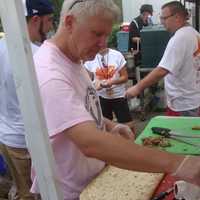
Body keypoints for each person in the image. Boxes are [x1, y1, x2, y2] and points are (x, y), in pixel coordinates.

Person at [30, 0, 200, 199]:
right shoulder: (50, 72)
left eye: (106, 35)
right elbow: (90, 143)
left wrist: (109, 125)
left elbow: (78, 113)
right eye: (97, 33)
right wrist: (177, 163)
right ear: (69, 22)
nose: (103, 44)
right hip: (71, 192)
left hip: (93, 181)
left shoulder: (74, 58)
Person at [0, 0, 54, 199]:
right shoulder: (36, 55)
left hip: (6, 137)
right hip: (27, 142)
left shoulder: (2, 45)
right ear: (35, 19)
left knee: (22, 190)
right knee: (33, 194)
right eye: (49, 21)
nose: (50, 27)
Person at [126, 1, 200, 117]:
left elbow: (162, 70)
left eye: (164, 18)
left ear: (176, 17)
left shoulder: (179, 38)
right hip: (193, 99)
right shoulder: (194, 33)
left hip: (182, 105)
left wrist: (137, 87)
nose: (161, 22)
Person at [84, 47, 133, 126]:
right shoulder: (90, 57)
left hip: (119, 96)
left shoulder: (117, 55)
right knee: (105, 125)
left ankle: (131, 138)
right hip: (101, 97)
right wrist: (96, 85)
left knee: (128, 125)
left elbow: (125, 77)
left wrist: (112, 82)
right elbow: (87, 82)